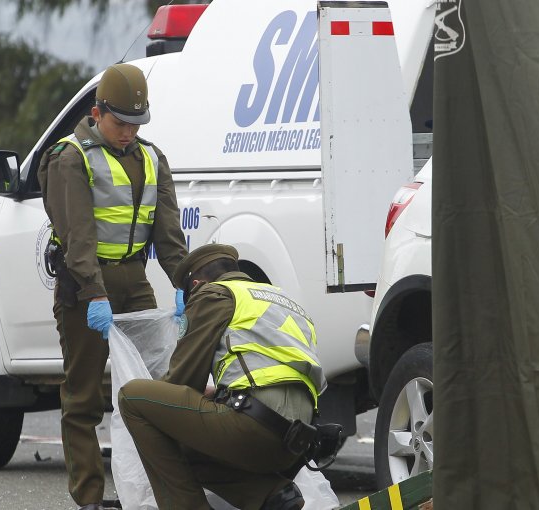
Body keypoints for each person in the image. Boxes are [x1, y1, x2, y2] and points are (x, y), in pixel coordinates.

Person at [37, 63, 187, 510]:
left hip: (134, 282)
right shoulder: (71, 158)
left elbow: (169, 236)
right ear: (97, 112)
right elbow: (78, 237)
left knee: (154, 392)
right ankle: (89, 499)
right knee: (83, 398)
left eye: (136, 124)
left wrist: (185, 283)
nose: (128, 132)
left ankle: (152, 495)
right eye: (120, 122)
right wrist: (94, 293)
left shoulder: (152, 158)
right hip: (85, 288)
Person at [118, 244, 327, 510]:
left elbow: (183, 379)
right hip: (296, 444)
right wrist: (216, 395)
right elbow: (268, 371)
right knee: (187, 448)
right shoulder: (281, 300)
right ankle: (272, 495)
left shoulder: (214, 294)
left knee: (133, 399)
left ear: (196, 283)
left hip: (253, 428)